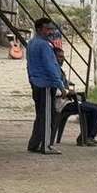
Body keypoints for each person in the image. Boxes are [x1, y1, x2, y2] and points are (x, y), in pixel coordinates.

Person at [26, 17, 67, 155]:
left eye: (50, 28)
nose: (50, 31)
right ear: (39, 29)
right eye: (47, 28)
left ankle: (34, 143)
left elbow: (29, 65)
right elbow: (50, 66)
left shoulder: (31, 43)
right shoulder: (44, 46)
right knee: (48, 116)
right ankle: (46, 145)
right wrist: (60, 84)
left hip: (36, 82)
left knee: (40, 115)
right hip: (45, 84)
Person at [53, 47, 97, 146]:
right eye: (59, 57)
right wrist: (68, 92)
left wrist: (69, 87)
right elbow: (55, 90)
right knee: (94, 110)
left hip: (70, 100)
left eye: (63, 57)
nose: (62, 59)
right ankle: (86, 138)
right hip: (62, 103)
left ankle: (89, 136)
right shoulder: (52, 71)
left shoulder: (59, 70)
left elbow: (63, 84)